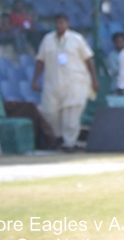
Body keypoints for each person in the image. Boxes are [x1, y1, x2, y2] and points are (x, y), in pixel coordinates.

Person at [31, 13, 99, 152]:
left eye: (62, 23)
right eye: (57, 23)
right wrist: (35, 79)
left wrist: (94, 80)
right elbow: (40, 60)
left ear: (67, 24)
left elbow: (88, 59)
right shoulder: (48, 39)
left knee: (72, 112)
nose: (59, 26)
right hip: (52, 82)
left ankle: (69, 143)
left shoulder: (77, 39)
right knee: (50, 112)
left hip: (75, 81)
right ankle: (58, 139)